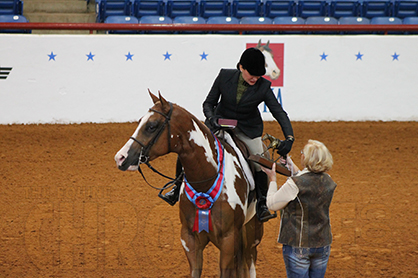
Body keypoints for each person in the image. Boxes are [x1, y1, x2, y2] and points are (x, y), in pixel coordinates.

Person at [202, 47, 295, 223]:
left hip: (247, 129)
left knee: (259, 160)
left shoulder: (264, 86)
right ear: (241, 67)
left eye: (258, 75)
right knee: (194, 146)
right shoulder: (224, 76)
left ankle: (261, 203)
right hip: (219, 124)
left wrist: (289, 137)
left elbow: (278, 112)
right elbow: (208, 102)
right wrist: (212, 118)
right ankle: (176, 186)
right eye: (251, 74)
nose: (255, 79)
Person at [262, 139, 337, 278]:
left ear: (306, 158)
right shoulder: (328, 180)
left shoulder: (294, 184)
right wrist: (291, 165)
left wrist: (272, 179)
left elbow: (272, 204)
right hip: (322, 243)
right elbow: (307, 179)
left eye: (303, 153)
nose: (301, 154)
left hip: (298, 244)